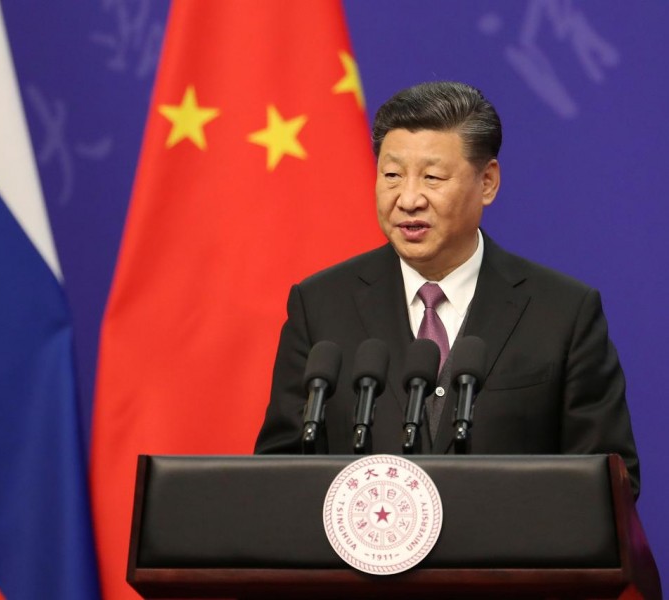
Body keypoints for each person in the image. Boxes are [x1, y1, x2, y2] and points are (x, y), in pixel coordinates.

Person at [254, 81, 640, 497]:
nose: (408, 199)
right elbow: (278, 475)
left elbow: (608, 485)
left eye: (432, 177)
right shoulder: (321, 305)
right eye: (391, 175)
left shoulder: (563, 312)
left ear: (487, 182)